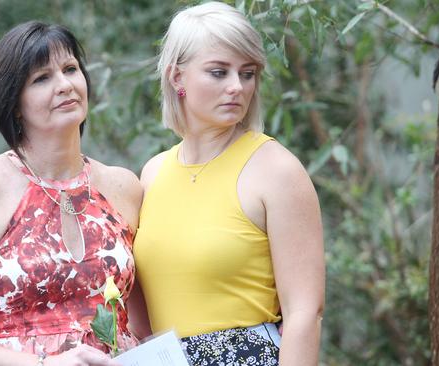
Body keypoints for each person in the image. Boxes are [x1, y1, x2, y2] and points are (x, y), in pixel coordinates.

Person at [0, 21, 143, 366]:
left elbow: (144, 321)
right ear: (15, 103)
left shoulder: (124, 187)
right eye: (42, 78)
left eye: (70, 69)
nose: (64, 85)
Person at [133, 2, 325, 365]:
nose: (237, 87)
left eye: (247, 73)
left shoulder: (276, 169)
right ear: (177, 77)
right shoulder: (153, 173)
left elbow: (305, 312)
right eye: (219, 72)